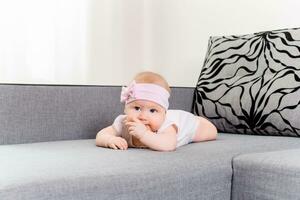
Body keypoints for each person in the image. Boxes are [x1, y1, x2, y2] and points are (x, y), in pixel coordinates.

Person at [95, 71, 217, 151]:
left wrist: (144, 135)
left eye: (152, 111)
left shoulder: (166, 124)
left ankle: (201, 120)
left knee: (211, 132)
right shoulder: (123, 123)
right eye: (137, 108)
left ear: (163, 113)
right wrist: (110, 140)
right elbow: (101, 135)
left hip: (188, 125)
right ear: (125, 108)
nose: (143, 116)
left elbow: (169, 145)